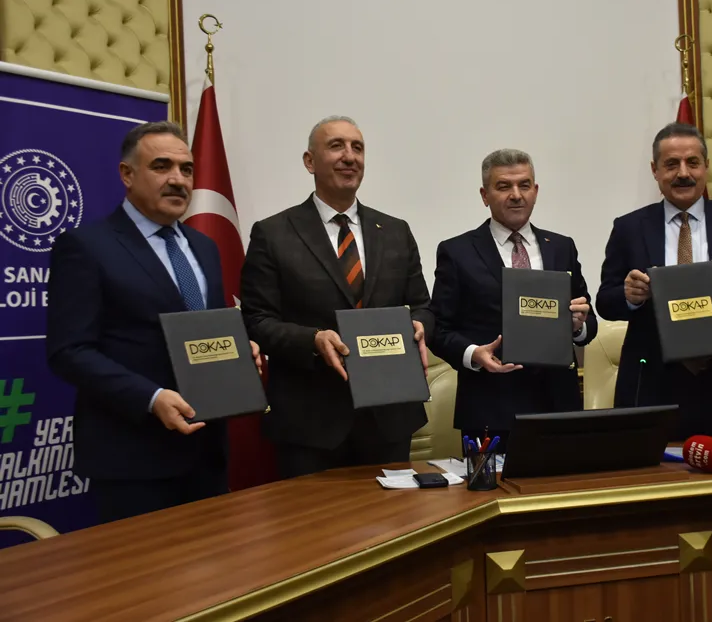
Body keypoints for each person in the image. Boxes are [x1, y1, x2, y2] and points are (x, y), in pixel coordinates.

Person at [46, 121, 261, 523]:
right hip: (134, 459)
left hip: (207, 453)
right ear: (127, 174)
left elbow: (205, 330)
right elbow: (69, 351)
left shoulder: (204, 247)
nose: (178, 180)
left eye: (187, 169)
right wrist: (151, 397)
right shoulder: (86, 247)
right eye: (162, 166)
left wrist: (237, 350)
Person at [240, 116, 432, 478]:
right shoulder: (273, 233)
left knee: (394, 516)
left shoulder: (395, 231)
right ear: (309, 161)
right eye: (336, 146)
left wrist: (420, 326)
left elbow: (422, 305)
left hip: (389, 419)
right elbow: (256, 320)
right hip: (310, 423)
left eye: (357, 148)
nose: (349, 156)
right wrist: (312, 339)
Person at [596, 123, 712, 441]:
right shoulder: (629, 228)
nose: (683, 173)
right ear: (655, 170)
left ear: (706, 166)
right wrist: (629, 296)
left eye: (692, 162)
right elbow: (605, 300)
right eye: (671, 164)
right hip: (654, 387)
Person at [429, 149, 597, 450]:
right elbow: (438, 328)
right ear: (485, 195)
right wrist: (473, 354)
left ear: (535, 191)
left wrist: (578, 326)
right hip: (490, 408)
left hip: (559, 407)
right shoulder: (457, 252)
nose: (516, 195)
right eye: (504, 186)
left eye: (524, 185)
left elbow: (588, 322)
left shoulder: (562, 247)